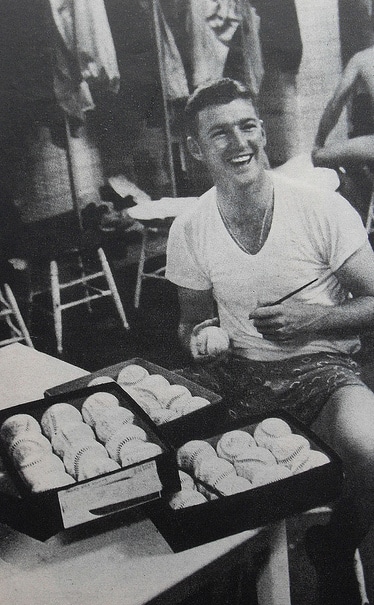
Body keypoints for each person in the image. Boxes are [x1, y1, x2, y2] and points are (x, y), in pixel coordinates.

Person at [165, 78, 374, 605]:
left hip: (320, 369)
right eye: (220, 133)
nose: (240, 142)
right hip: (236, 373)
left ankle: (331, 548)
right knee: (158, 458)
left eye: (248, 125)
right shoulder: (190, 228)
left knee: (371, 448)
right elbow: (191, 322)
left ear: (262, 132)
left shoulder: (319, 208)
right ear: (195, 149)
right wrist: (202, 337)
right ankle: (232, 573)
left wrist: (314, 320)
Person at [312, 44, 374, 169]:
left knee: (319, 157)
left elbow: (335, 105)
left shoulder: (362, 59)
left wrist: (319, 142)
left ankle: (357, 185)